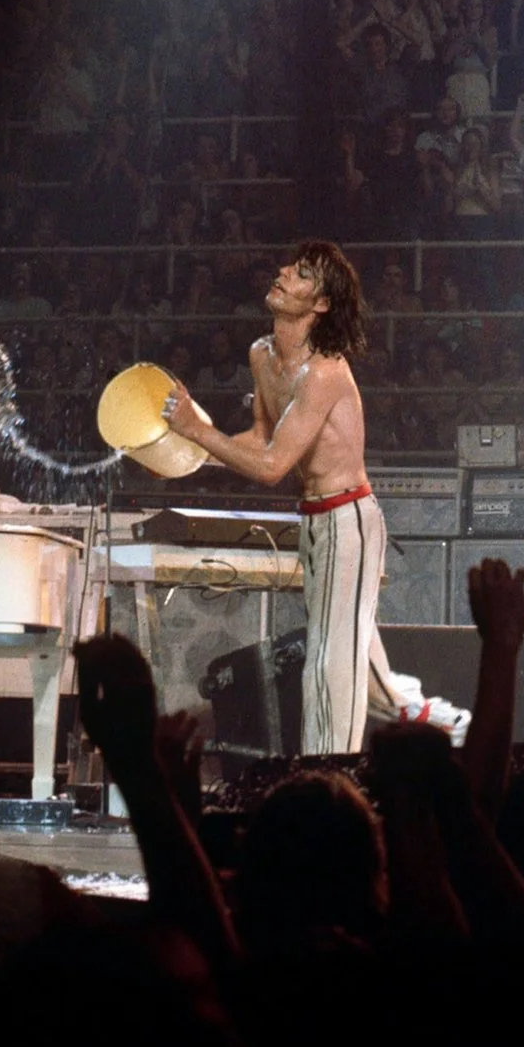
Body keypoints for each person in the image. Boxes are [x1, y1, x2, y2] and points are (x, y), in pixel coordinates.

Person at [163, 242, 426, 754]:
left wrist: (198, 431)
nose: (283, 273)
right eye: (288, 266)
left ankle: (328, 783)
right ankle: (443, 728)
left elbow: (271, 467)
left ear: (321, 304)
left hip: (349, 518)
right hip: (315, 521)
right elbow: (260, 442)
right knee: (365, 672)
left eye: (302, 274)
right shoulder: (261, 354)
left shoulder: (326, 370)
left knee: (331, 666)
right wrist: (184, 446)